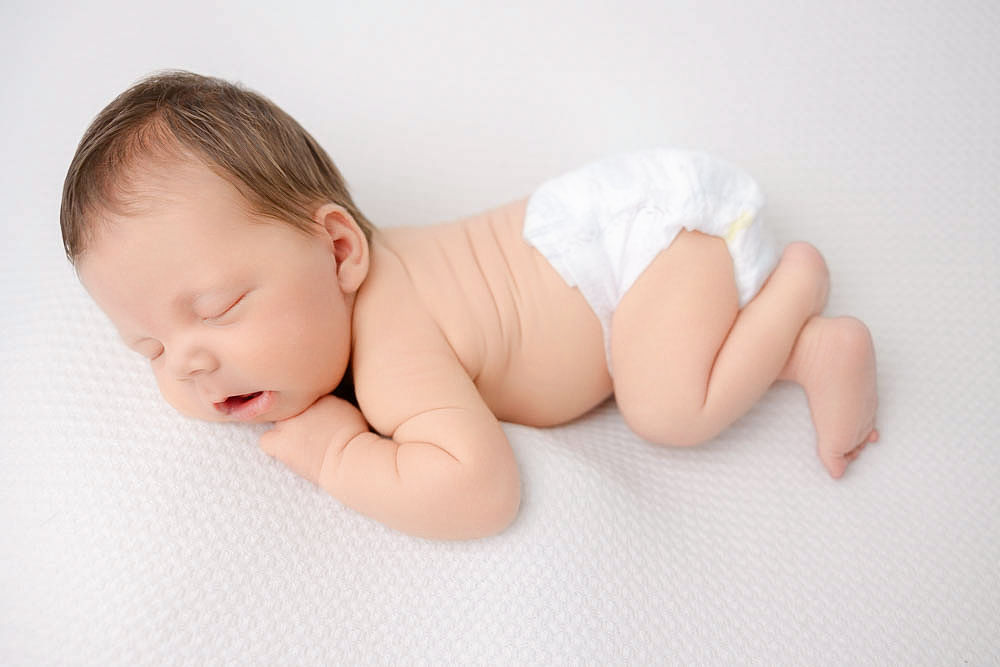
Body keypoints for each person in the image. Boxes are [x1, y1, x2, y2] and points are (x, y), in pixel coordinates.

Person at [61, 71, 879, 540]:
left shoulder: (391, 346)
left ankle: (802, 302)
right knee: (664, 368)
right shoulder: (365, 294)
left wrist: (340, 456)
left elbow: (482, 494)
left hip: (643, 255)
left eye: (218, 306)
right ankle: (791, 340)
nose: (190, 362)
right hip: (613, 255)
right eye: (150, 349)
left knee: (667, 406)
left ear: (340, 250)